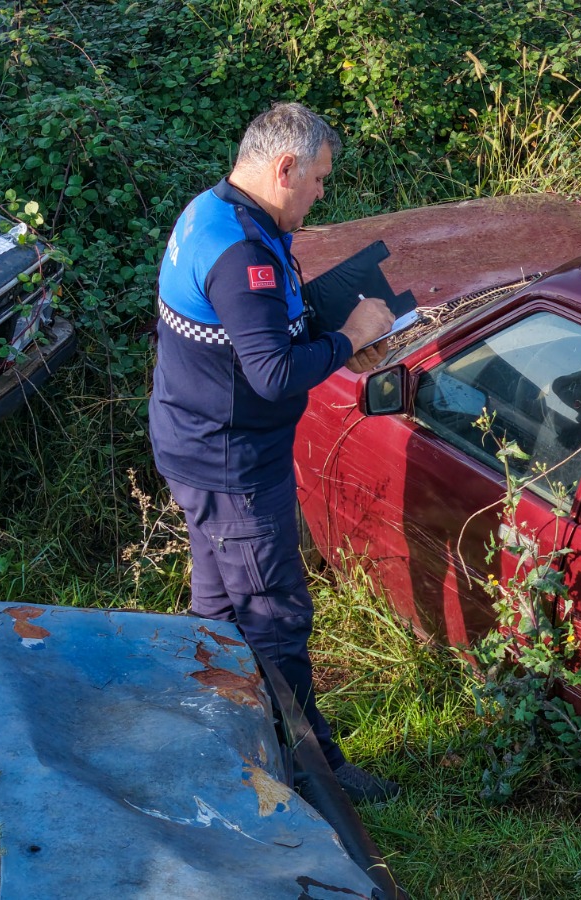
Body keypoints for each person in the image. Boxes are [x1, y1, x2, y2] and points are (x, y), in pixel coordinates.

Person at [149, 102, 398, 802]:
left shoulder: (215, 211)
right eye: (318, 178)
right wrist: (348, 340)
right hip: (233, 466)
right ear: (283, 167)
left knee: (221, 608)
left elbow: (247, 336)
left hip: (195, 443)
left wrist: (324, 325)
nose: (323, 193)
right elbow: (274, 372)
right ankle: (317, 774)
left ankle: (216, 741)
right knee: (276, 615)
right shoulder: (241, 256)